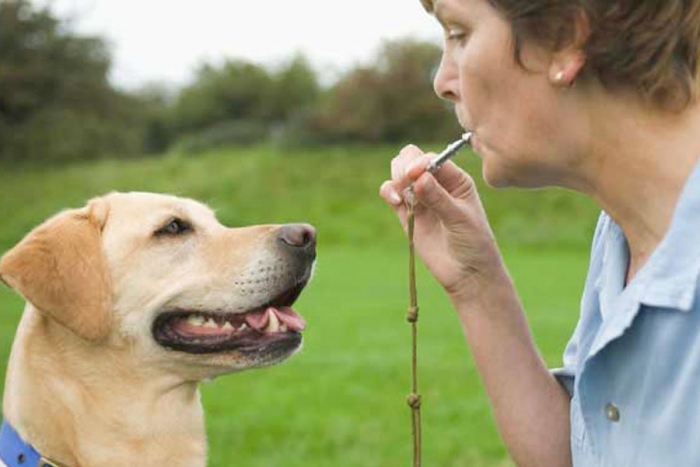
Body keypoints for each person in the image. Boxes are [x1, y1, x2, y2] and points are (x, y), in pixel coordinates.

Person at [379, 0, 700, 465]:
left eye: (459, 34)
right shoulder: (623, 235)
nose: (443, 82)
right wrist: (476, 282)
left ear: (564, 39)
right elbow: (582, 453)